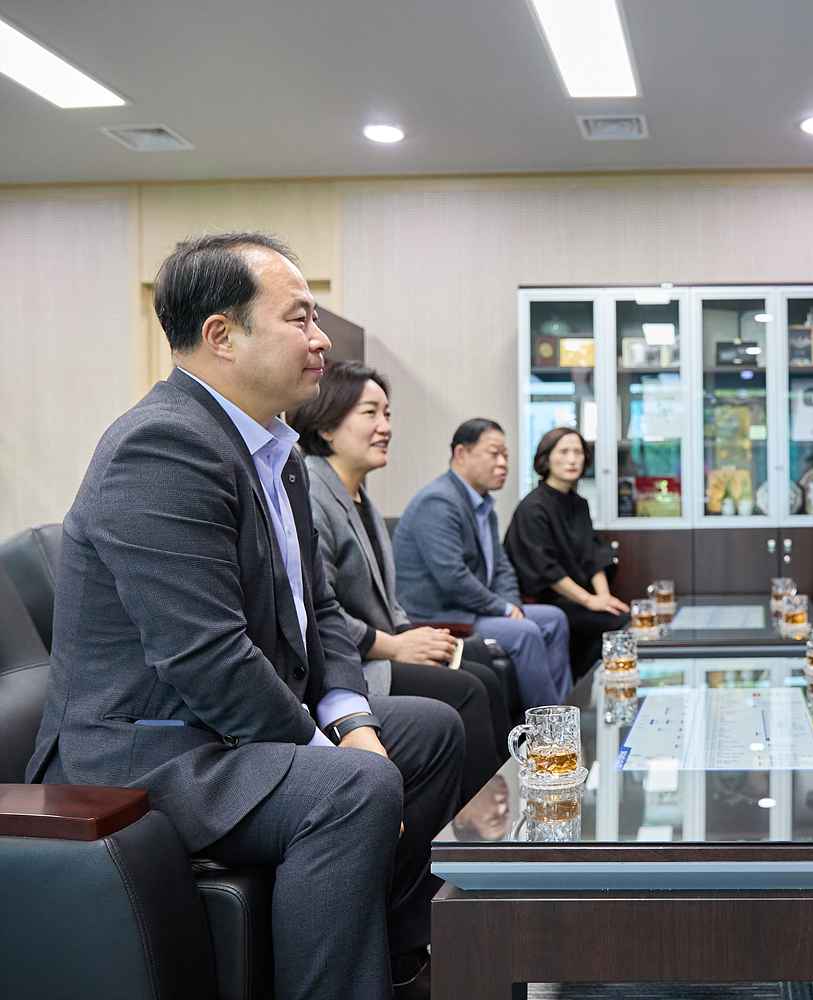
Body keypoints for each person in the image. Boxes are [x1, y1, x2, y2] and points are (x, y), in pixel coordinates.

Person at [25, 232, 463, 999]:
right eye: (299, 318)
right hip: (147, 753)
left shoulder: (277, 450)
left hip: (223, 730)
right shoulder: (162, 445)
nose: (321, 339)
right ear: (221, 336)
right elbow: (206, 660)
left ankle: (393, 965)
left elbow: (317, 612)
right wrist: (336, 757)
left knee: (428, 732)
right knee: (353, 788)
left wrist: (356, 723)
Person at [289, 361, 508, 802]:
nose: (385, 426)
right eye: (370, 413)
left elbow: (388, 602)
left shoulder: (358, 494)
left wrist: (413, 634)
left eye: (387, 414)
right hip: (351, 663)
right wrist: (396, 645)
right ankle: (476, 827)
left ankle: (502, 804)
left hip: (384, 645)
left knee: (489, 664)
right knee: (468, 688)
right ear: (328, 426)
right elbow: (318, 610)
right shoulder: (313, 490)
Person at [393, 419, 573, 709]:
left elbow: (501, 567)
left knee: (554, 619)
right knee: (524, 632)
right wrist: (503, 610)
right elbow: (453, 578)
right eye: (494, 453)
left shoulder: (484, 504)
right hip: (440, 614)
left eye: (506, 455)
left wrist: (511, 606)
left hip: (473, 609)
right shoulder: (438, 501)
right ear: (461, 454)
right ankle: (551, 728)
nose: (503, 463)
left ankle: (563, 708)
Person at [504, 427, 630, 672]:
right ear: (546, 458)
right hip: (544, 601)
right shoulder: (532, 507)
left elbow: (593, 554)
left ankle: (589, 689)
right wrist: (590, 601)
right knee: (618, 623)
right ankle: (581, 694)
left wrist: (603, 597)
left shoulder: (579, 504)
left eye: (578, 452)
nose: (572, 459)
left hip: (576, 598)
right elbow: (545, 568)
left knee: (622, 618)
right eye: (563, 451)